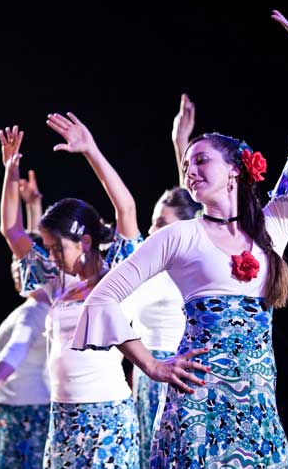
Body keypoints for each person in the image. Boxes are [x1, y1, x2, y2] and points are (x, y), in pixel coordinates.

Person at [71, 9, 288, 468]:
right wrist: (151, 365)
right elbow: (103, 298)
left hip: (257, 409)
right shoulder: (180, 235)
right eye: (186, 163)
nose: (190, 169)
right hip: (197, 406)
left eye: (201, 159)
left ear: (235, 169)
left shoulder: (270, 230)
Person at [0, 115, 142, 468]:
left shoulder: (116, 272)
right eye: (47, 248)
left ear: (86, 241)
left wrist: (90, 150)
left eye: (56, 247)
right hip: (62, 416)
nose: (50, 256)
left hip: (107, 415)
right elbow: (11, 230)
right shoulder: (56, 278)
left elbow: (126, 208)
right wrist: (9, 172)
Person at [122, 94, 201, 469]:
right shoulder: (143, 263)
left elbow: (197, 206)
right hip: (146, 377)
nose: (152, 231)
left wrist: (181, 145)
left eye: (162, 224)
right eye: (153, 221)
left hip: (180, 374)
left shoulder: (190, 263)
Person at [0, 169, 51, 469]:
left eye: (20, 266)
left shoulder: (34, 311)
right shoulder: (41, 302)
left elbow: (15, 348)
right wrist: (33, 207)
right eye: (12, 263)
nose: (15, 269)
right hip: (22, 408)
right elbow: (33, 251)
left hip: (26, 411)